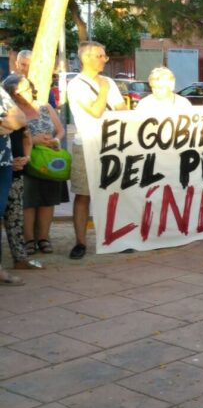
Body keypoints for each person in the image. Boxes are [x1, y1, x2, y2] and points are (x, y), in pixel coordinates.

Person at [66, 41, 129, 259]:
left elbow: (121, 109)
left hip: (112, 144)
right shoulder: (76, 85)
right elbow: (95, 110)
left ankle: (117, 237)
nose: (105, 59)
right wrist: (102, 89)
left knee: (114, 193)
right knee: (84, 194)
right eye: (101, 56)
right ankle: (80, 242)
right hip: (87, 144)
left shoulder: (110, 81)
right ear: (87, 58)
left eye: (105, 55)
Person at [16, 75, 67, 258]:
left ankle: (44, 238)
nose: (25, 93)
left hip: (48, 159)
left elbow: (60, 130)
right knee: (28, 201)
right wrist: (32, 140)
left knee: (48, 199)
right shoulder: (14, 109)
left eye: (27, 89)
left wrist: (54, 140)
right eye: (20, 91)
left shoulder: (45, 106)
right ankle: (29, 239)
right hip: (26, 159)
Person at [0, 77, 42, 271]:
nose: (29, 93)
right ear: (13, 92)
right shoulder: (6, 110)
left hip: (14, 170)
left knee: (15, 217)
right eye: (24, 89)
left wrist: (25, 158)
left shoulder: (18, 112)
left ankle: (20, 258)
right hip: (6, 165)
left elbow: (27, 137)